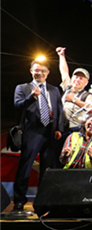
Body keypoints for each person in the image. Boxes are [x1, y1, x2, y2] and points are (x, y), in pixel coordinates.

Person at [12, 60, 64, 211]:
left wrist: (59, 128)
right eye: (36, 70)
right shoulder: (23, 88)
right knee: (25, 166)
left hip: (50, 132)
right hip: (32, 132)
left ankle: (43, 200)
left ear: (48, 73)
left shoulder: (54, 90)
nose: (39, 73)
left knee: (47, 169)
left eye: (43, 71)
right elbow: (18, 105)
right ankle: (19, 200)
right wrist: (31, 97)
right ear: (31, 71)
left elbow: (59, 109)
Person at [56, 47, 92, 135]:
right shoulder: (68, 87)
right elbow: (64, 72)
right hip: (60, 128)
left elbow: (91, 108)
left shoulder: (88, 95)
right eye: (76, 77)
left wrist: (74, 100)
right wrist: (61, 56)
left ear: (86, 82)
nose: (77, 80)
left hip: (76, 129)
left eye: (81, 78)